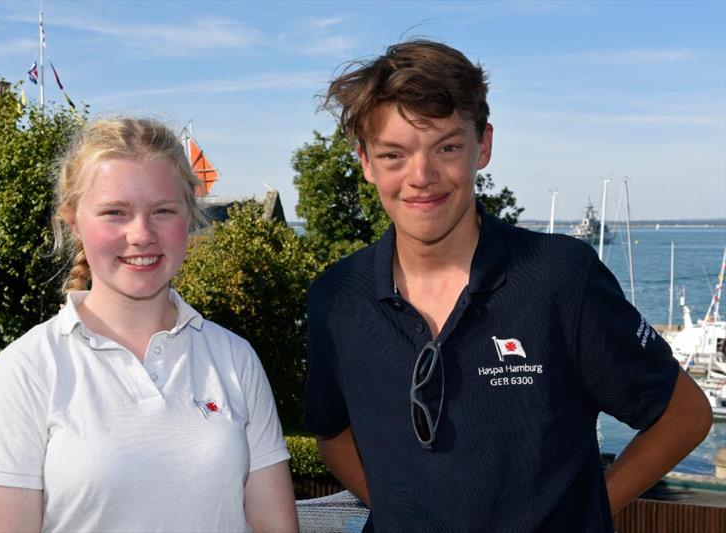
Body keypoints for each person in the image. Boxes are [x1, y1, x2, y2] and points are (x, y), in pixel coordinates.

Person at [304, 40, 713, 532]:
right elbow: (333, 433)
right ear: (366, 163)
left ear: (485, 145)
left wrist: (586, 514)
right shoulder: (337, 297)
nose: (422, 176)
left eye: (447, 147)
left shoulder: (560, 277)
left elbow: (684, 415)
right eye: (394, 154)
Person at [0, 117, 299, 532]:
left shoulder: (235, 359)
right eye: (115, 213)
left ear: (189, 218)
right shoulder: (26, 371)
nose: (141, 234)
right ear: (74, 223)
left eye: (162, 211)